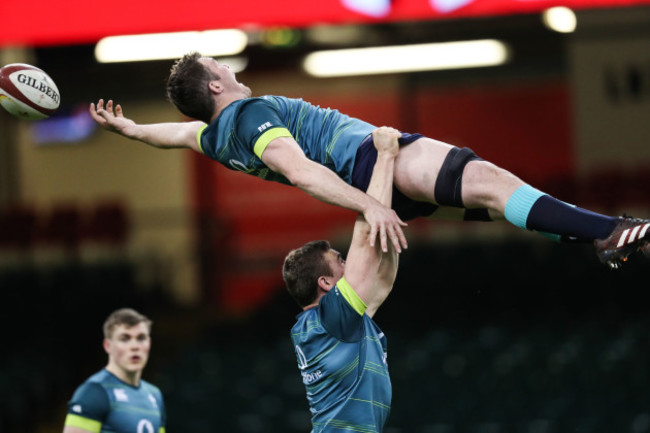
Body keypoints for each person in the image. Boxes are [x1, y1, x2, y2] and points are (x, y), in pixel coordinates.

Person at [89, 52, 650, 269]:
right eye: (220, 64)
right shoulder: (252, 117)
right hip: (370, 160)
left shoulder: (213, 137)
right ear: (215, 82)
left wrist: (132, 129)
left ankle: (596, 240)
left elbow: (174, 135)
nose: (230, 66)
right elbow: (300, 170)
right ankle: (610, 232)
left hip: (374, 179)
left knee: (496, 201)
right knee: (491, 181)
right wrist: (371, 207)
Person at [283, 126, 401, 432]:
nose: (350, 263)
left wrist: (390, 211)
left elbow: (383, 278)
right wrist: (385, 157)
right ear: (325, 283)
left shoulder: (334, 324)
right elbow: (364, 240)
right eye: (340, 261)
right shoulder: (330, 319)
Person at [63, 308, 166, 433]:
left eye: (141, 338)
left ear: (149, 343)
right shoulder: (94, 392)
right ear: (108, 346)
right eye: (125, 338)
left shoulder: (155, 395)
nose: (135, 346)